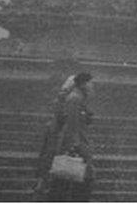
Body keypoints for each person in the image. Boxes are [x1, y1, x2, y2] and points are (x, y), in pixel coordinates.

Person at [33, 72, 95, 202]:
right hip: (76, 146)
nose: (92, 86)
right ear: (83, 83)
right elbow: (71, 126)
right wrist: (75, 147)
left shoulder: (79, 99)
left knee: (66, 181)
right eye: (90, 82)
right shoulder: (74, 99)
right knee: (76, 180)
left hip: (76, 144)